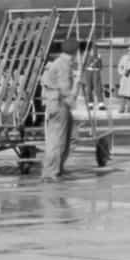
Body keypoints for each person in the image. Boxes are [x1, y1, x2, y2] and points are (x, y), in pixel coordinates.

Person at [40, 38, 80, 182]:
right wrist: (76, 83)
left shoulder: (61, 63)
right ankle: (51, 172)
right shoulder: (63, 65)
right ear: (75, 52)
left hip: (58, 105)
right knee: (57, 140)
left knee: (71, 137)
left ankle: (56, 169)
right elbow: (65, 90)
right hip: (59, 105)